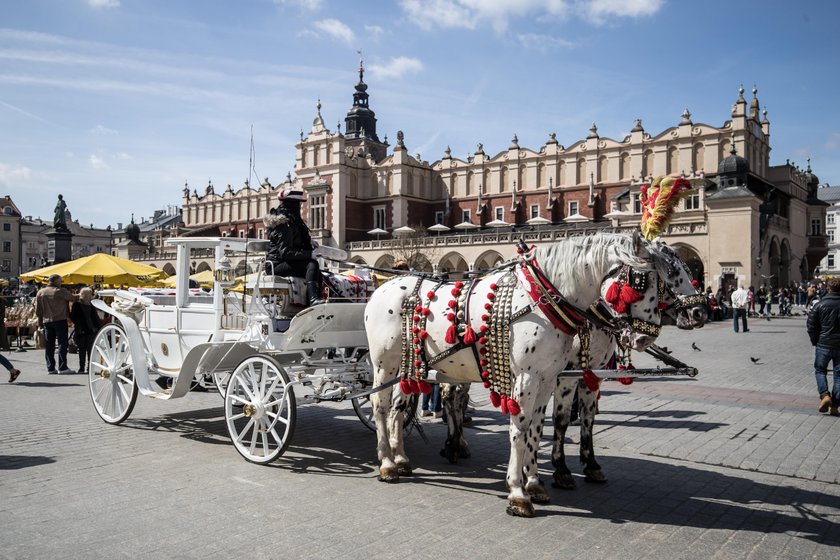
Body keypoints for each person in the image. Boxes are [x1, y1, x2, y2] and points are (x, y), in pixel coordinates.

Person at [263, 186, 323, 306]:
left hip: (285, 262)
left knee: (317, 273)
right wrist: (309, 254)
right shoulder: (283, 224)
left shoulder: (292, 222)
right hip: (276, 265)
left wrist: (308, 241)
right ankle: (312, 300)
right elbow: (286, 253)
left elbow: (294, 240)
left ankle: (312, 301)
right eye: (297, 204)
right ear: (291, 204)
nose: (300, 207)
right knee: (311, 265)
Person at [806, 277, 840, 416]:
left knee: (820, 371)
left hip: (823, 343)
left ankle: (825, 396)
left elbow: (811, 326)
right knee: (839, 375)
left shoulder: (819, 304)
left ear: (828, 288)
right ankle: (835, 406)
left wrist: (815, 341)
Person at [35, 274, 78, 374]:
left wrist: (40, 322)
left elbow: (38, 311)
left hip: (47, 322)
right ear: (55, 281)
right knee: (62, 344)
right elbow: (72, 298)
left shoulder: (40, 292)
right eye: (60, 280)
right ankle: (62, 367)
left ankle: (50, 368)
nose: (61, 282)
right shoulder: (59, 291)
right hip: (60, 320)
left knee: (49, 345)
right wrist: (82, 295)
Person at [69, 287, 102, 374]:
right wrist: (79, 324)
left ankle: (89, 368)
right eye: (89, 294)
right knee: (82, 350)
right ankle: (81, 368)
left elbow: (96, 318)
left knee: (90, 350)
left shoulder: (91, 305)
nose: (91, 296)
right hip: (81, 330)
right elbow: (73, 317)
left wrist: (100, 327)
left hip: (91, 330)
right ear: (84, 295)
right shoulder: (77, 305)